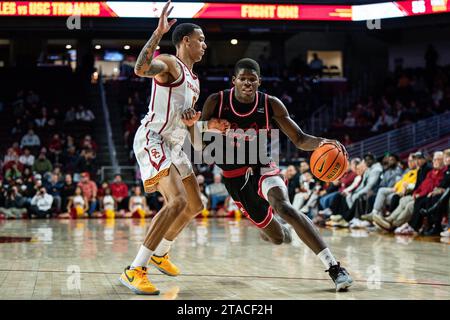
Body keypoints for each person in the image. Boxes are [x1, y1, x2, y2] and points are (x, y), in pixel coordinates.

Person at [183, 58, 353, 291]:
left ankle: (334, 268)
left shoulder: (271, 104)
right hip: (234, 176)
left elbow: (300, 139)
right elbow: (199, 145)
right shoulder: (216, 101)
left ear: (259, 81)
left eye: (252, 79)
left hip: (261, 164)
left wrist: (324, 142)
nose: (247, 83)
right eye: (242, 79)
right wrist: (194, 126)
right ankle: (274, 228)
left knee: (284, 206)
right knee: (278, 237)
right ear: (234, 80)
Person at [119, 1, 228, 295]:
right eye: (201, 40)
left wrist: (206, 126)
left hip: (176, 145)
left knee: (195, 205)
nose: (205, 45)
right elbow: (141, 68)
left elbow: (193, 136)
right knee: (177, 202)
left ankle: (161, 252)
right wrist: (158, 32)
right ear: (186, 41)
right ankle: (134, 269)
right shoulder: (169, 63)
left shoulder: (194, 81)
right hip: (154, 138)